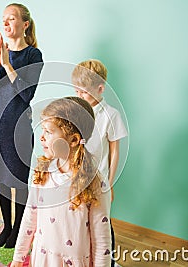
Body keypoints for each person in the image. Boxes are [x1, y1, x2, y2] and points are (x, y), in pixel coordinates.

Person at [11, 97, 111, 267]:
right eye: (42, 130)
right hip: (43, 258)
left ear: (73, 140)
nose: (41, 137)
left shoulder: (94, 183)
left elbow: (102, 241)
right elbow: (30, 217)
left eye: (48, 132)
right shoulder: (42, 171)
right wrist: (18, 257)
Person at [0, 3, 43, 248]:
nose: (6, 23)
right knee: (2, 178)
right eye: (3, 19)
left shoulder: (32, 56)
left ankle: (19, 229)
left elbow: (26, 95)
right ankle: (7, 226)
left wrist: (8, 64)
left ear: (25, 24)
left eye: (12, 18)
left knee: (19, 178)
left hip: (18, 126)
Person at [72, 59, 128, 266]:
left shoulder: (110, 115)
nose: (79, 96)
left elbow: (114, 151)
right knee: (79, 221)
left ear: (100, 89)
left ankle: (108, 261)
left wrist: (110, 183)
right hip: (77, 177)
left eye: (84, 92)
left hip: (99, 180)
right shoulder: (77, 110)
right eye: (76, 91)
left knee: (102, 223)